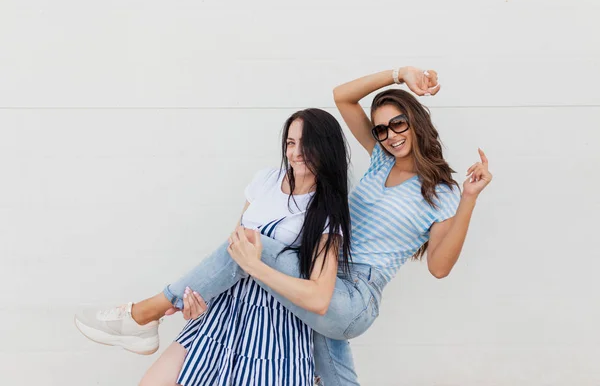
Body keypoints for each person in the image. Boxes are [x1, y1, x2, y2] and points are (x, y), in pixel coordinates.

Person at [77, 66, 492, 385]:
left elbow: (439, 267)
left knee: (248, 244)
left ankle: (144, 314)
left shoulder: (442, 194)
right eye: (381, 128)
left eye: (398, 123)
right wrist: (401, 73)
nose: (389, 135)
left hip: (353, 295)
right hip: (321, 271)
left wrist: (469, 199)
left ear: (416, 122)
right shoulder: (382, 158)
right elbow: (342, 98)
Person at [76, 108, 352, 385]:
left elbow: (318, 298)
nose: (296, 153)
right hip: (226, 309)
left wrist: (254, 266)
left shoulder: (328, 210)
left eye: (306, 143)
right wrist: (201, 298)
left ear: (326, 146)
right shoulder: (266, 180)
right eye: (291, 143)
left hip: (276, 324)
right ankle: (149, 312)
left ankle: (145, 314)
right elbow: (230, 251)